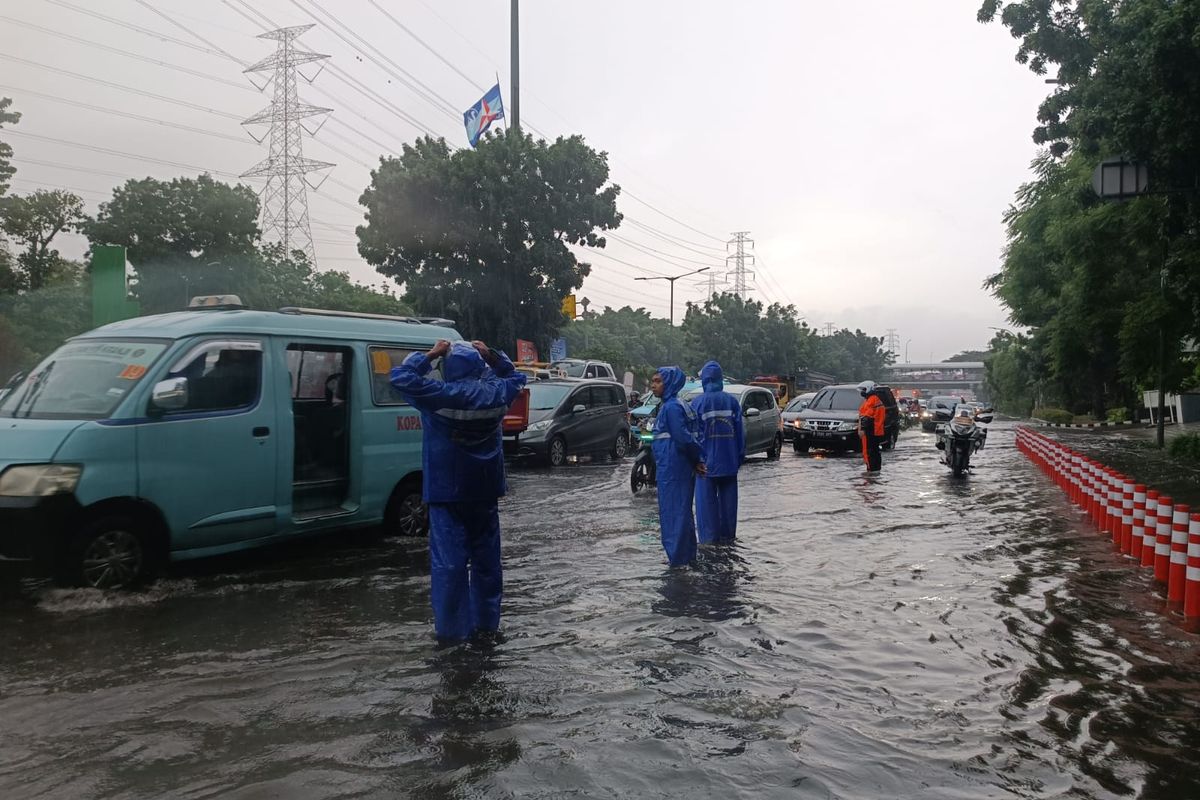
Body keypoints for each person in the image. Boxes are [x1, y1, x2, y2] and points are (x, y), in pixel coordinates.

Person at [390, 339, 527, 642]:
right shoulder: (495, 394)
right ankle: (487, 627)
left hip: (446, 491)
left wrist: (429, 356)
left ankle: (452, 638)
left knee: (450, 566)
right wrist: (491, 354)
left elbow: (400, 378)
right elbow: (516, 377)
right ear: (478, 366)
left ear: (448, 368)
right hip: (485, 490)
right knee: (487, 564)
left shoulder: (440, 395)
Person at [650, 366, 705, 566]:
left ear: (669, 383)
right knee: (682, 513)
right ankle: (686, 557)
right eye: (652, 381)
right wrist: (696, 459)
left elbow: (682, 438)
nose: (653, 385)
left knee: (673, 514)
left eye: (657, 381)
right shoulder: (680, 405)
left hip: (672, 468)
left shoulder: (672, 408)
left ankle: (678, 561)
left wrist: (697, 459)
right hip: (677, 466)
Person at [690, 360, 744, 544]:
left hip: (705, 467)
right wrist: (738, 458)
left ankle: (710, 548)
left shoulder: (697, 403)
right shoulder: (732, 402)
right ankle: (728, 545)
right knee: (729, 515)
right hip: (729, 465)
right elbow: (740, 434)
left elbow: (693, 436)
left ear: (704, 380)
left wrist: (694, 460)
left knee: (706, 517)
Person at [857, 380, 887, 473]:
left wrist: (862, 429)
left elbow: (867, 417)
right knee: (875, 452)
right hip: (876, 430)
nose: (862, 392)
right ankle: (875, 471)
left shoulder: (872, 400)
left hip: (870, 431)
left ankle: (871, 471)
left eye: (864, 389)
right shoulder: (875, 399)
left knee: (869, 452)